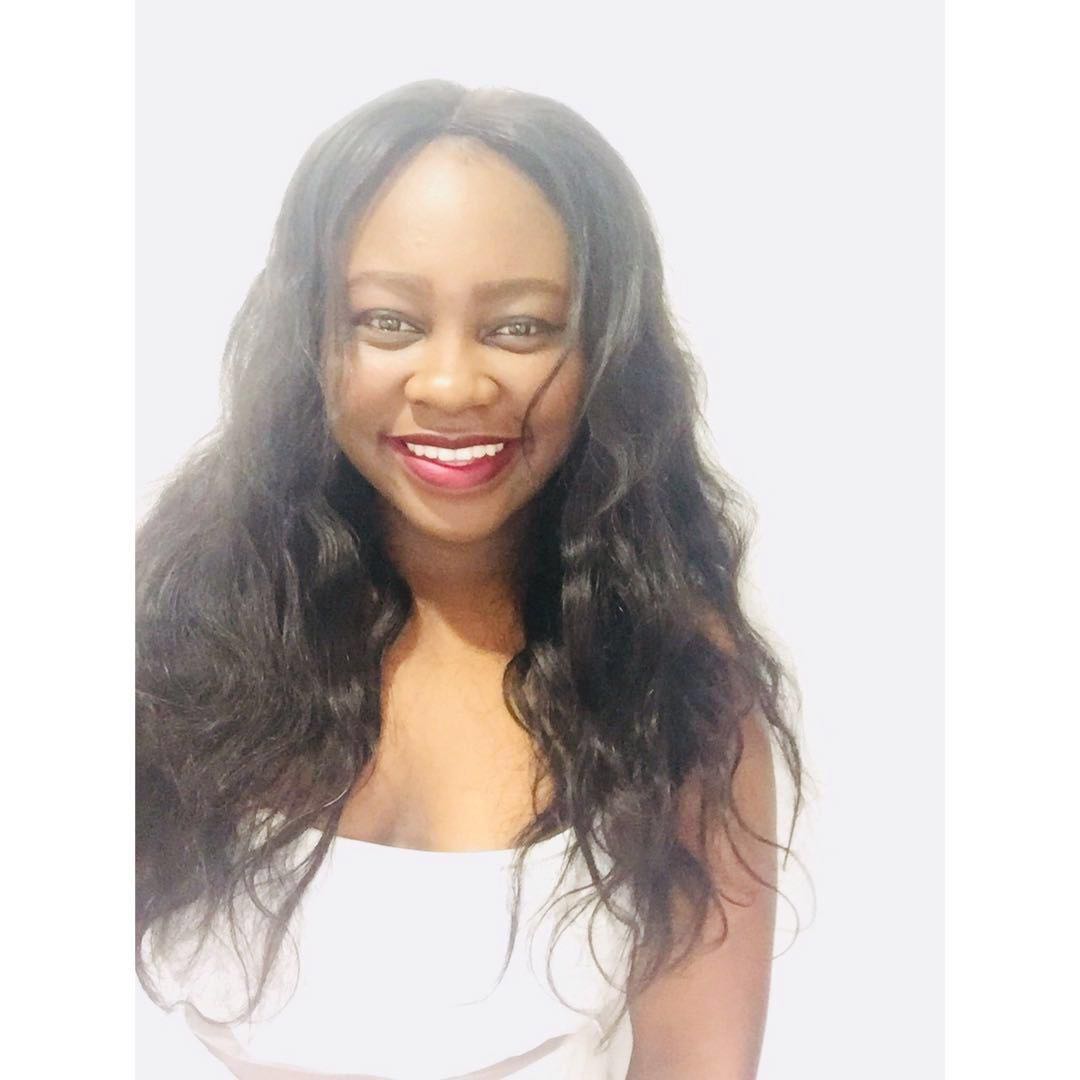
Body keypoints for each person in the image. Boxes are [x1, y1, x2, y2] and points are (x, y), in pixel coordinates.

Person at [136, 80, 804, 1079]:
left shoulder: (676, 684)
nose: (452, 385)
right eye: (388, 321)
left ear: (607, 352)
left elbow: (695, 1064)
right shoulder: (171, 639)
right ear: (309, 336)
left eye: (521, 327)